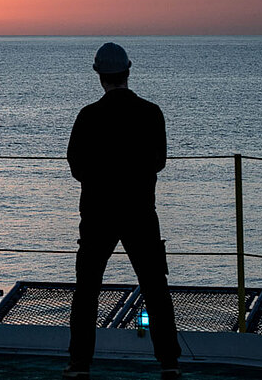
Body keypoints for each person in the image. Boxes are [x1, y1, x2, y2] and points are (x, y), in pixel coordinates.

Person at [63, 43, 182, 380]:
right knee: (155, 287)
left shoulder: (89, 115)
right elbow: (158, 161)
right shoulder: (151, 112)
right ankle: (169, 362)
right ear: (128, 71)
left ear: (99, 75)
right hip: (140, 210)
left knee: (87, 289)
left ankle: (80, 363)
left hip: (98, 212)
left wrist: (102, 178)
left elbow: (76, 165)